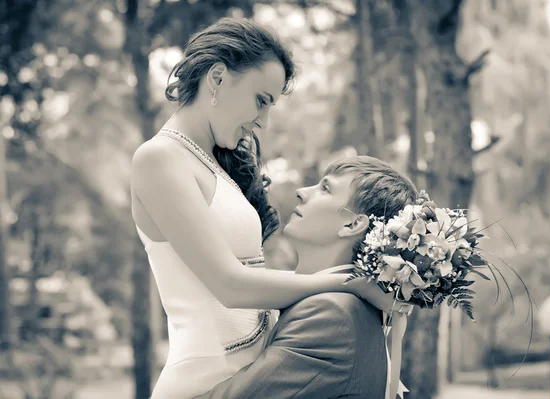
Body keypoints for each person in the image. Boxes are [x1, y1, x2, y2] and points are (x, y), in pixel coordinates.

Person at [130, 19, 400, 398]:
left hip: (257, 374)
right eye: (262, 100)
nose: (264, 121)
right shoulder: (159, 159)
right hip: (205, 383)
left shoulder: (214, 164)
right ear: (218, 78)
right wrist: (348, 281)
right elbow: (228, 284)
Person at [196, 156, 418, 399]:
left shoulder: (331, 314)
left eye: (325, 188)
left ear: (353, 224)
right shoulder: (345, 305)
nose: (302, 192)